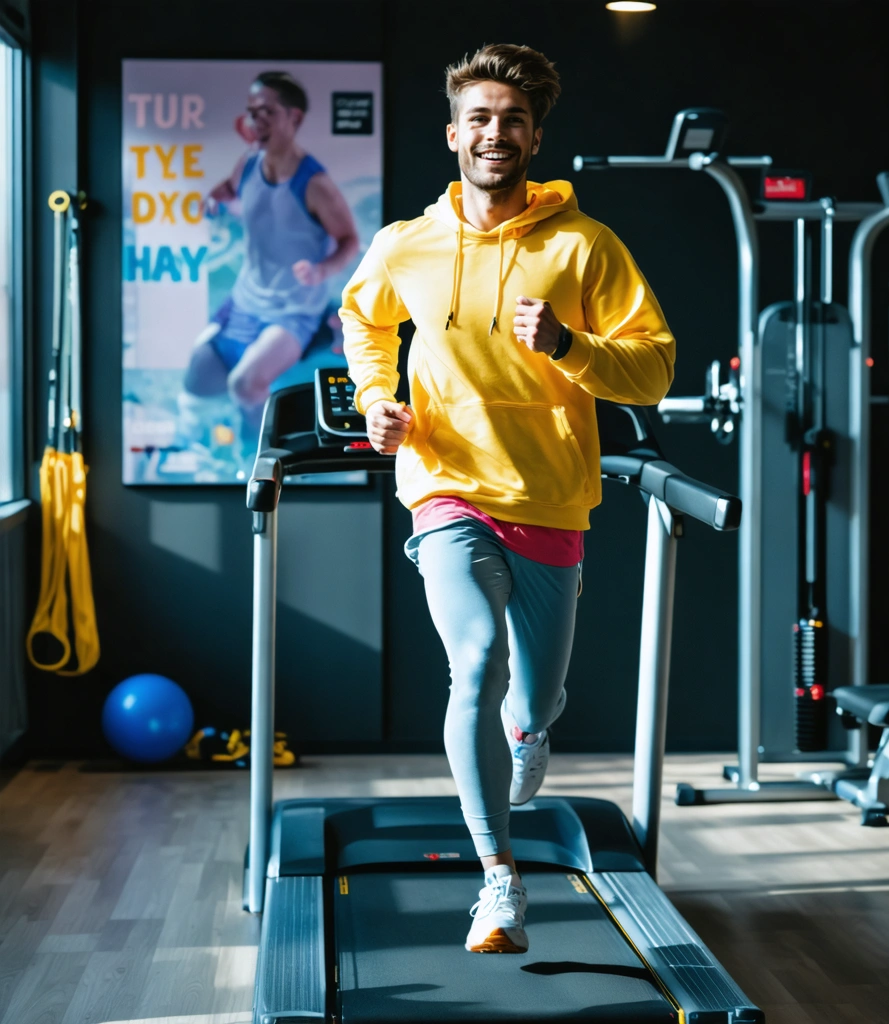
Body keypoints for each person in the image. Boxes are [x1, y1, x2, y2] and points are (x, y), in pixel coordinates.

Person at [340, 44, 675, 954]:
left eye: (513, 119)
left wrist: (570, 345)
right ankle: (499, 880)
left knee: (537, 694)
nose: (496, 133)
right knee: (475, 662)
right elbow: (363, 319)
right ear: (454, 134)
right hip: (447, 490)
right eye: (480, 118)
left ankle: (531, 732)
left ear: (535, 136)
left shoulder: (584, 246)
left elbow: (653, 368)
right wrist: (378, 403)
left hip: (553, 498)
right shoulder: (406, 244)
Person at [182, 70, 360, 430]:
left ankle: (255, 456)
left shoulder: (315, 185)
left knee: (244, 385)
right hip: (245, 302)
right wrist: (215, 202)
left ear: (293, 118)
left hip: (293, 312)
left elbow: (350, 240)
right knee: (194, 386)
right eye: (251, 112)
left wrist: (322, 270)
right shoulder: (247, 164)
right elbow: (229, 190)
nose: (255, 121)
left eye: (266, 112)